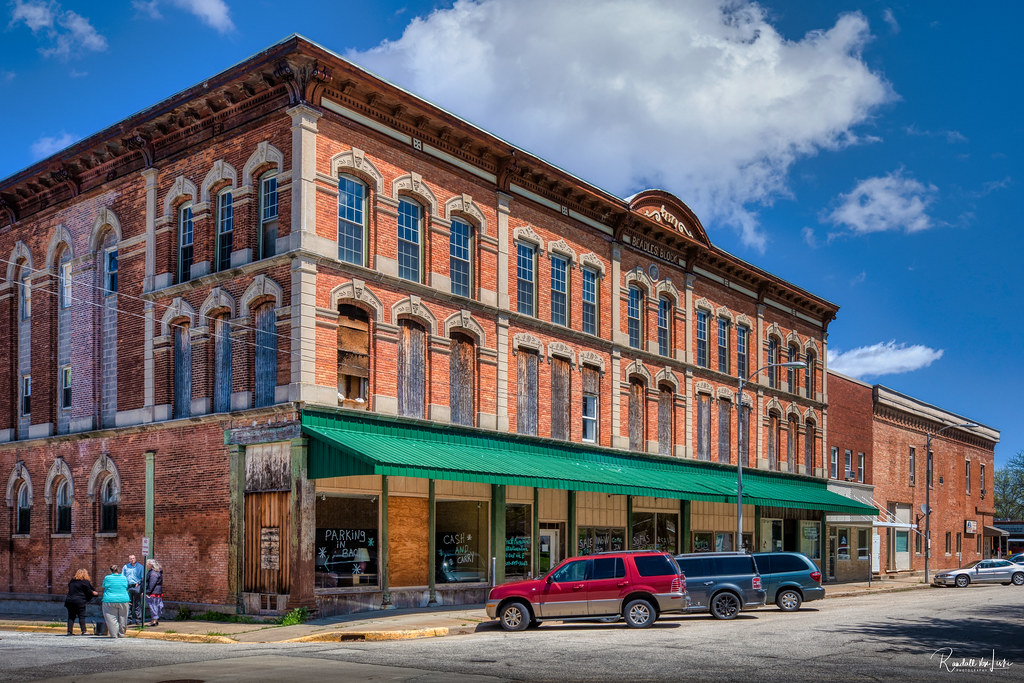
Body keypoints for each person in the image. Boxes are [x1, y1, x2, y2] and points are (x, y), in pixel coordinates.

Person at [64, 569, 97, 635]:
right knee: (81, 616)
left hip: (69, 601)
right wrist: (94, 593)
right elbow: (89, 591)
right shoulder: (84, 582)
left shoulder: (72, 581)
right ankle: (84, 631)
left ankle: (69, 631)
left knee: (71, 616)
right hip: (79, 601)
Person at [101, 563, 130, 638]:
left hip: (109, 599)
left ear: (111, 571)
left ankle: (114, 634)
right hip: (123, 599)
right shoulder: (124, 578)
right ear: (118, 570)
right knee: (123, 617)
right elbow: (126, 586)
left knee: (111, 618)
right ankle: (121, 633)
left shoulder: (107, 578)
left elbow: (104, 586)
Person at [122, 554, 144, 624]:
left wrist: (139, 583)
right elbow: (123, 576)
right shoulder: (126, 567)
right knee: (128, 603)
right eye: (131, 558)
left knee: (137, 603)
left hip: (136, 586)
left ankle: (138, 619)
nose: (132, 560)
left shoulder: (140, 567)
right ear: (129, 559)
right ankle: (129, 619)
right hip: (128, 586)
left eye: (133, 558)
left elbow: (142, 577)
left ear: (135, 559)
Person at [145, 559, 163, 627]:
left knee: (153, 606)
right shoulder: (156, 572)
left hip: (153, 593)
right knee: (156, 606)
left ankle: (154, 621)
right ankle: (155, 620)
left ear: (150, 564)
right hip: (157, 592)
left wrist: (147, 592)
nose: (146, 565)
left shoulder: (153, 573)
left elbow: (152, 583)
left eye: (147, 564)